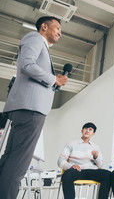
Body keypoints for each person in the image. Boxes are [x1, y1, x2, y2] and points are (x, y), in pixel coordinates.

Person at [0, 16, 68, 199]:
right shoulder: (35, 38)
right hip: (31, 109)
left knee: (10, 160)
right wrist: (54, 79)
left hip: (27, 108)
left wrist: (54, 82)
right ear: (44, 27)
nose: (60, 32)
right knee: (18, 165)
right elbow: (27, 65)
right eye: (57, 27)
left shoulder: (41, 44)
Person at [57, 122, 111, 199]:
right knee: (67, 174)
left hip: (91, 171)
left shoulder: (96, 147)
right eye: (85, 128)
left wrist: (96, 157)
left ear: (93, 134)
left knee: (108, 174)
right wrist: (71, 166)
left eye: (90, 129)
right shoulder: (71, 144)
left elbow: (100, 165)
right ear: (82, 130)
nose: (87, 131)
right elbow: (60, 161)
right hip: (77, 171)